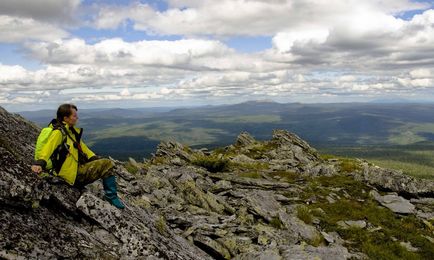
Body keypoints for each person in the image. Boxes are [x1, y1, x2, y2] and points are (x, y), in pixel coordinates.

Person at [31, 103, 125, 209]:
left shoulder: (71, 132)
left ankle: (110, 196)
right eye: (74, 115)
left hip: (73, 171)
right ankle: (111, 197)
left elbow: (84, 148)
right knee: (107, 164)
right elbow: (47, 149)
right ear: (65, 118)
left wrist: (94, 159)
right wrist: (39, 163)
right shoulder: (59, 132)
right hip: (70, 176)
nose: (77, 118)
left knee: (103, 162)